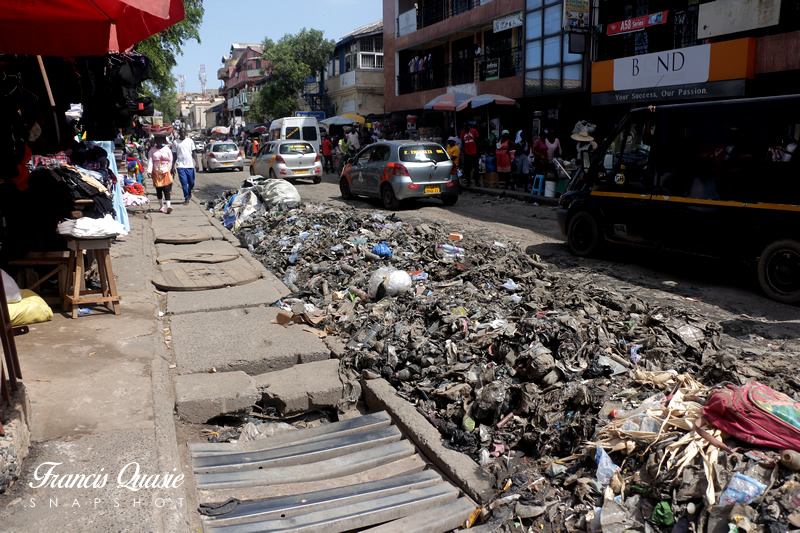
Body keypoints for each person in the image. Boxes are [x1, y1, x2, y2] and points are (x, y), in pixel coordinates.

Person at [147, 134, 174, 214]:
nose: (159, 142)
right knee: (159, 190)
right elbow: (150, 161)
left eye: (161, 140)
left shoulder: (167, 150)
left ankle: (168, 206)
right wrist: (149, 171)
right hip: (156, 172)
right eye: (157, 140)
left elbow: (170, 160)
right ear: (155, 141)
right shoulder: (152, 150)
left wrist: (169, 169)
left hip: (165, 171)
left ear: (163, 141)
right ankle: (161, 206)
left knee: (167, 189)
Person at [172, 128, 196, 204]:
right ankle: (186, 198)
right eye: (181, 132)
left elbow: (194, 153)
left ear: (185, 133)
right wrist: (173, 166)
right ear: (179, 133)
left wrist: (197, 163)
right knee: (184, 182)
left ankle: (189, 192)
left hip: (190, 165)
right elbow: (174, 155)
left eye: (184, 132)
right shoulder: (175, 142)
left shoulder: (190, 141)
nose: (182, 133)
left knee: (191, 183)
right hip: (180, 166)